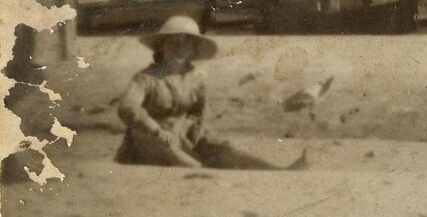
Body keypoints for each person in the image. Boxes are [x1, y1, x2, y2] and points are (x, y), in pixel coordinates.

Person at [115, 17, 305, 170]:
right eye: (174, 42)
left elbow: (200, 114)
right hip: (149, 142)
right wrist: (156, 130)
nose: (180, 48)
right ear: (161, 46)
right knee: (164, 145)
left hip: (184, 136)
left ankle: (277, 171)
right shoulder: (146, 78)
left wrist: (191, 131)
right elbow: (127, 107)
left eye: (187, 44)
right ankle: (199, 171)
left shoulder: (196, 78)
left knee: (224, 147)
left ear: (193, 50)